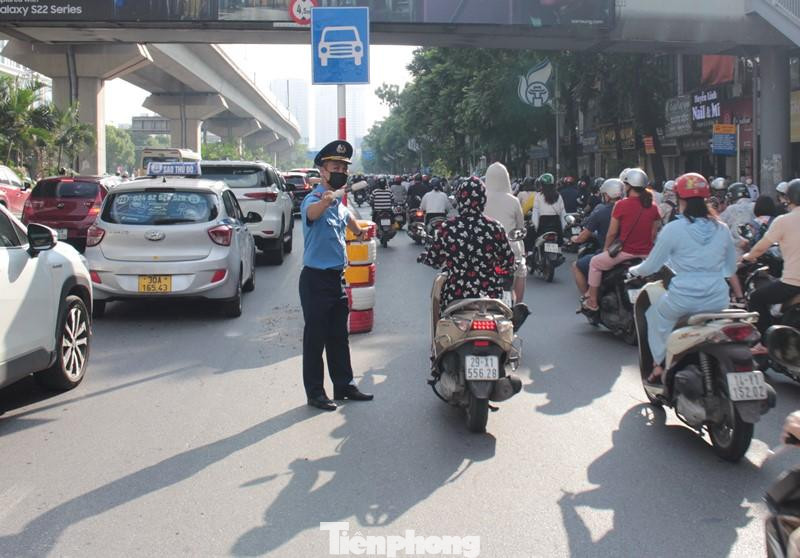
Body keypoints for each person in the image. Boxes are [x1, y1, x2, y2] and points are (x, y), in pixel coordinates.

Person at [629, 173, 737, 383]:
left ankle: (659, 365)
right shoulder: (721, 229)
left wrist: (635, 271)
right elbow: (729, 269)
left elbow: (652, 265)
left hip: (682, 299)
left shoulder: (673, 229)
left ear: (680, 199)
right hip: (718, 299)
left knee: (654, 314)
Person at [299, 140, 374, 411]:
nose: (341, 170)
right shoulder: (313, 199)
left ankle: (343, 385)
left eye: (344, 166)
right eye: (335, 166)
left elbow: (354, 227)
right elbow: (311, 213)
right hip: (315, 280)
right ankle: (315, 393)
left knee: (338, 337)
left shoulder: (341, 208)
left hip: (336, 280)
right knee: (315, 338)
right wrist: (327, 199)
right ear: (322, 170)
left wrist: (361, 228)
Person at [418, 177, 516, 315]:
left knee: (441, 322)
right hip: (490, 296)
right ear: (483, 199)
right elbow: (508, 261)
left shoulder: (447, 228)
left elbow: (434, 259)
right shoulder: (495, 227)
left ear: (460, 199)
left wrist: (427, 258)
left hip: (455, 296)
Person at [583, 168, 662, 312]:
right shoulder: (653, 207)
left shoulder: (621, 205)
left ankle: (592, 301)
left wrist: (606, 249)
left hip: (625, 253)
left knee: (594, 263)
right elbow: (654, 234)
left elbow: (612, 233)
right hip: (647, 255)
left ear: (628, 186)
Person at [743, 179, 800, 352]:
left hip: (793, 283)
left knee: (757, 298)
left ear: (789, 199)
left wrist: (747, 257)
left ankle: (765, 344)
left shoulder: (783, 221)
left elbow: (760, 247)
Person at [571, 178, 623, 296]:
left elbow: (609, 234)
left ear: (607, 195)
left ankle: (588, 298)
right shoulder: (630, 208)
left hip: (611, 252)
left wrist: (575, 239)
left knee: (576, 266)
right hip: (629, 251)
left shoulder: (601, 210)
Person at [484, 162, 527, 302]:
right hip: (511, 250)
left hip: (486, 249)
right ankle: (519, 305)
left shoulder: (481, 199)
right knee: (521, 268)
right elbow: (520, 228)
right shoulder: (514, 201)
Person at [719, 182, 754, 303]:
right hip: (757, 250)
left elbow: (718, 224)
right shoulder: (756, 206)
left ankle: (739, 297)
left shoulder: (730, 209)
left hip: (738, 252)